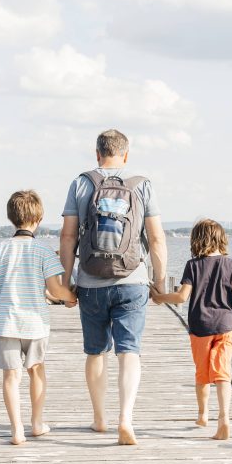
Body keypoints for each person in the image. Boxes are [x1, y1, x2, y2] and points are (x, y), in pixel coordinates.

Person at [60, 129, 167, 446]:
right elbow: (158, 238)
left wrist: (67, 283)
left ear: (97, 154)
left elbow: (68, 237)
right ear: (126, 154)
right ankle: (126, 419)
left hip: (91, 281)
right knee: (129, 352)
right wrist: (160, 282)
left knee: (96, 352)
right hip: (132, 280)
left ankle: (99, 419)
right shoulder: (142, 185)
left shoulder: (81, 183)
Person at [0, 190, 77, 445]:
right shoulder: (43, 251)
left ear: (11, 217)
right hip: (35, 324)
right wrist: (71, 297)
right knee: (36, 371)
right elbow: (55, 290)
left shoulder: (0, 250)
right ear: (39, 218)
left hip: (5, 323)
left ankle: (16, 430)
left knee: (11, 376)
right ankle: (36, 423)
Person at [151, 218, 232, 440]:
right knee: (222, 372)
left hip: (200, 326)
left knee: (202, 373)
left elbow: (181, 296)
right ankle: (224, 418)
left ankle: (203, 414)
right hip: (226, 325)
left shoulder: (193, 265)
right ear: (221, 239)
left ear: (197, 240)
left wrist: (159, 298)